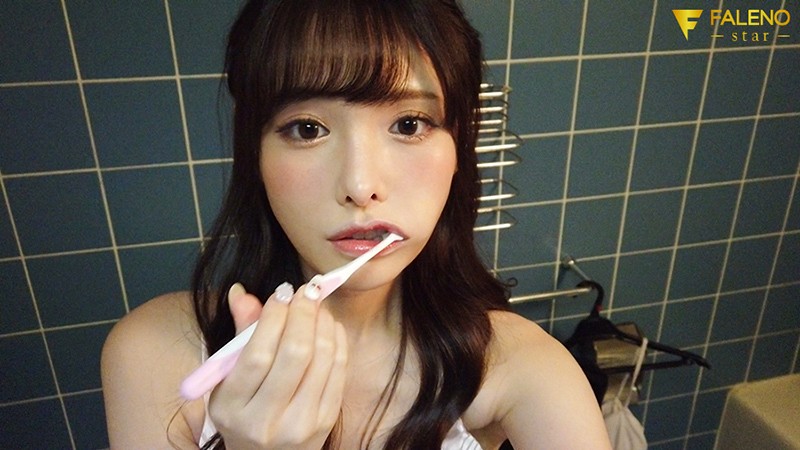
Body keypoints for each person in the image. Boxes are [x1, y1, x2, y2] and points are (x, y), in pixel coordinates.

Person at [101, 0, 612, 448]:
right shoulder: (155, 352)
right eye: (308, 129)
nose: (361, 186)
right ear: (255, 155)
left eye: (408, 124)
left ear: (460, 147)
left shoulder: (524, 367)